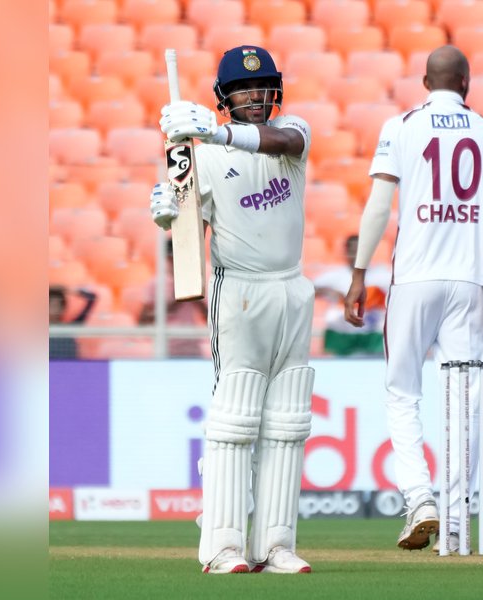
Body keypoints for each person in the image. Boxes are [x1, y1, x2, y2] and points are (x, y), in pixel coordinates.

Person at [343, 45, 483, 552]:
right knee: (466, 397)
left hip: (414, 279)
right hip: (471, 280)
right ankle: (459, 518)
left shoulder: (401, 126)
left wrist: (359, 273)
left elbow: (378, 206)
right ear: (467, 82)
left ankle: (420, 497)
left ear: (425, 81)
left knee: (402, 392)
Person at [149, 46, 315, 574]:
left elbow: (282, 141)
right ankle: (222, 546)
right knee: (235, 417)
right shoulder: (200, 156)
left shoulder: (293, 134)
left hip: (292, 288)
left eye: (263, 86)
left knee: (287, 421)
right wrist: (166, 208)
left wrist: (215, 133)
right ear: (224, 97)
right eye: (244, 89)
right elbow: (181, 234)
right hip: (238, 289)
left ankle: (276, 545)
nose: (255, 96)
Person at [314, 235, 390, 356]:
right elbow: (309, 290)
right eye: (353, 251)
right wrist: (327, 291)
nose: (357, 256)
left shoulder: (383, 275)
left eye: (360, 251)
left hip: (373, 334)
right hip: (341, 334)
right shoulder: (334, 275)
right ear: (347, 252)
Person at [137, 239, 209, 357]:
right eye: (174, 257)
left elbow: (208, 317)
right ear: (168, 258)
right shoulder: (155, 284)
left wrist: (196, 297)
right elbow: (142, 321)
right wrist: (172, 304)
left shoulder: (194, 283)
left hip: (191, 345)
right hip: (166, 346)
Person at [49, 285, 97, 359]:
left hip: (69, 366)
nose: (55, 309)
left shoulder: (70, 327)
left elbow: (91, 297)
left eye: (59, 306)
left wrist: (68, 290)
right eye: (52, 305)